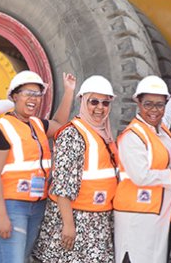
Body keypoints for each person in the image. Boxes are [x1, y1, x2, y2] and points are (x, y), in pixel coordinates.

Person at [0, 70, 77, 263]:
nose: (34, 99)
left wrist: (69, 91)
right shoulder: (1, 128)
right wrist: (1, 216)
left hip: (35, 205)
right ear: (14, 96)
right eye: (28, 93)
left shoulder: (36, 124)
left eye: (38, 94)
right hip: (8, 205)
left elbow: (58, 124)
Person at [34, 75, 120, 263]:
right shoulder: (72, 135)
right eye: (94, 101)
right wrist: (68, 226)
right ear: (82, 101)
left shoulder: (104, 134)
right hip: (75, 221)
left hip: (97, 223)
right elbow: (62, 186)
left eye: (105, 103)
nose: (100, 108)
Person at [114, 71, 171, 263]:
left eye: (159, 104)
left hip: (158, 213)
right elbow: (141, 176)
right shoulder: (132, 137)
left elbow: (169, 112)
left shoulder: (160, 128)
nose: (154, 110)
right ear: (138, 103)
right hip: (137, 215)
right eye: (148, 104)